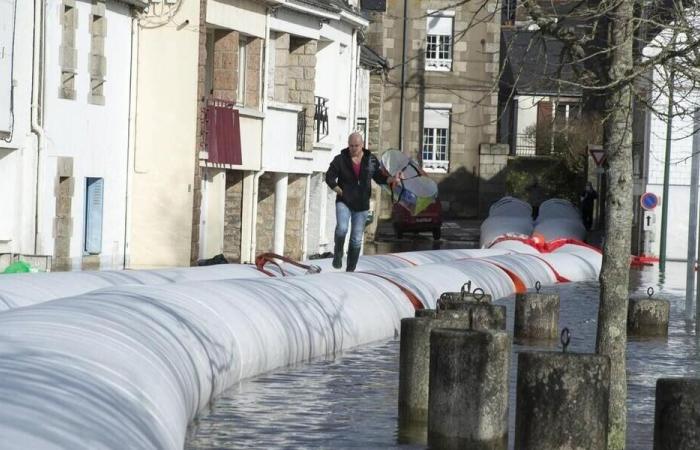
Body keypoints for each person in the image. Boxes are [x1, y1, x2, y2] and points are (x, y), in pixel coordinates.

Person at [325, 132, 400, 271]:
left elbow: (380, 178)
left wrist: (392, 180)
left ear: (362, 145)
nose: (353, 148)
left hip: (361, 205)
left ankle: (350, 269)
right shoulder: (340, 159)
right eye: (351, 145)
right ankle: (338, 253)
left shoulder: (371, 160)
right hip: (344, 202)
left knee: (356, 239)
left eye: (356, 146)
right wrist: (340, 191)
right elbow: (329, 177)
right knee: (342, 229)